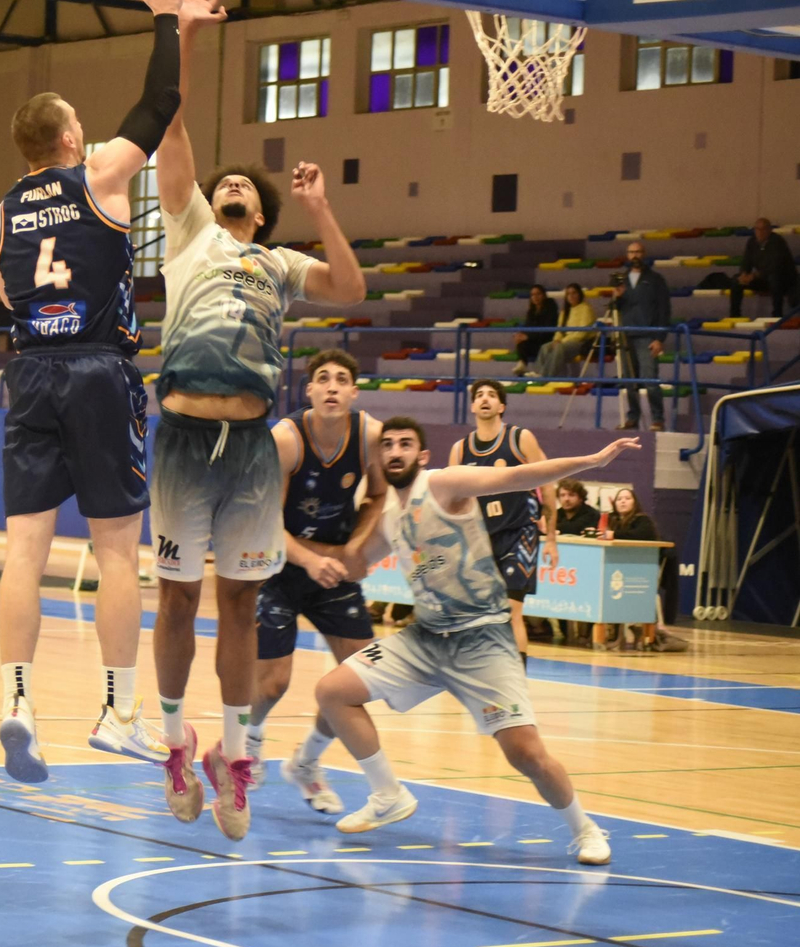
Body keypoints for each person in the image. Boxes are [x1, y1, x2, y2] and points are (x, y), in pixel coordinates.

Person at [149, 0, 368, 840]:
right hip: (179, 433)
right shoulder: (190, 231)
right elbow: (171, 124)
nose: (231, 184)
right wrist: (187, 31)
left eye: (245, 185)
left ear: (263, 212)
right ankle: (174, 745)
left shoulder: (278, 263)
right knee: (174, 599)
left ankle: (236, 760)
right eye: (224, 180)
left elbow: (350, 286)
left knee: (237, 605)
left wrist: (321, 210)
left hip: (244, 444)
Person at [0, 0, 194, 783]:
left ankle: (15, 705)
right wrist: (166, 17)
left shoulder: (5, 207)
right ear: (71, 139)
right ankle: (117, 711)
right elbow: (159, 104)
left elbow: (6, 291)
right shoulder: (101, 173)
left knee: (23, 552)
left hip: (30, 369)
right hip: (99, 371)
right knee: (116, 554)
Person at [313, 417, 636, 866]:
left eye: (406, 444)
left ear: (422, 456)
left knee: (524, 751)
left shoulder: (444, 483)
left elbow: (518, 476)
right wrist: (299, 550)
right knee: (332, 691)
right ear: (379, 458)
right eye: (387, 445)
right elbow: (354, 565)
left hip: (482, 638)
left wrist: (592, 460)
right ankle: (387, 794)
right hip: (425, 639)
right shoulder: (386, 514)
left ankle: (585, 829)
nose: (395, 451)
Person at [245, 351, 383, 818]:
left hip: (333, 570)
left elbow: (379, 496)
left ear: (354, 391)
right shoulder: (286, 438)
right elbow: (264, 519)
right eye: (322, 379)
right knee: (271, 685)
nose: (331, 386)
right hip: (280, 567)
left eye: (341, 379)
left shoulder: (369, 436)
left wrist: (354, 549)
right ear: (308, 391)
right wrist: (309, 559)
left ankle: (305, 763)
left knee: (356, 681)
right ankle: (251, 739)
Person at [448, 380, 559, 665]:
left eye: (492, 395)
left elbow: (547, 487)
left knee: (511, 610)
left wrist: (552, 541)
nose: (485, 399)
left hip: (518, 532)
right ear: (472, 406)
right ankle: (478, 672)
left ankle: (517, 683)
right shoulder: (460, 450)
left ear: (502, 406)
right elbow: (450, 501)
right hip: (479, 539)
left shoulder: (521, 439)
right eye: (479, 395)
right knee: (477, 613)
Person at [601, 488, 687, 653]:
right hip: (616, 569)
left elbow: (636, 536)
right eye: (619, 499)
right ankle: (614, 632)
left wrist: (613, 534)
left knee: (619, 589)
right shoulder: (612, 521)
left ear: (635, 502)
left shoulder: (643, 521)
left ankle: (641, 629)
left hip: (640, 572)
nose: (623, 501)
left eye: (627, 498)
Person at [613, 242, 671, 432]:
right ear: (627, 255)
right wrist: (618, 297)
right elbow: (617, 309)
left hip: (648, 335)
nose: (634, 255)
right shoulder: (621, 280)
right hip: (626, 335)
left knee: (650, 379)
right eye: (631, 252)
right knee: (629, 381)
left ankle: (658, 418)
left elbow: (664, 310)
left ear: (643, 254)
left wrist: (660, 338)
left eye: (637, 251)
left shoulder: (656, 279)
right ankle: (633, 417)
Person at [731, 218, 797, 319]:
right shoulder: (752, 242)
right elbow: (746, 261)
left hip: (784, 280)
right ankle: (735, 315)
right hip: (762, 279)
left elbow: (775, 266)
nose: (760, 232)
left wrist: (754, 275)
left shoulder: (778, 241)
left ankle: (777, 315)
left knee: (774, 279)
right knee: (736, 280)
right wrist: (744, 274)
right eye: (757, 229)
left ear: (769, 230)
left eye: (763, 229)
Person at [534, 284, 597, 378]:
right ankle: (538, 373)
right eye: (568, 294)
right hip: (566, 342)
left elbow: (582, 334)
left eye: (574, 293)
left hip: (581, 342)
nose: (571, 296)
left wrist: (561, 341)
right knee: (545, 347)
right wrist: (556, 340)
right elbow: (559, 330)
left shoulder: (586, 309)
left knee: (559, 347)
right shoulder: (564, 312)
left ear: (579, 294)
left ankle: (545, 377)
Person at [511, 285, 559, 376]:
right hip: (534, 341)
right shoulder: (531, 311)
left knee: (530, 343)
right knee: (522, 343)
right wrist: (520, 335)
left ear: (544, 295)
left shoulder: (551, 309)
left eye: (538, 294)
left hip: (546, 341)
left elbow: (547, 330)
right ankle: (522, 364)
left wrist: (528, 336)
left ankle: (538, 373)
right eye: (533, 295)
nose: (535, 297)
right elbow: (527, 328)